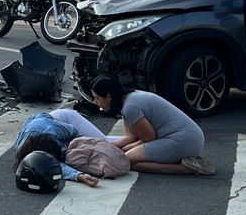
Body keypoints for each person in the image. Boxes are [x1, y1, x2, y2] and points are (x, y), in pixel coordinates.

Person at [87, 75, 216, 175]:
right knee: (135, 164)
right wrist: (108, 147)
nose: (95, 101)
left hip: (183, 141)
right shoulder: (130, 98)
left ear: (109, 96)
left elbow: (148, 139)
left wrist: (122, 151)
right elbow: (132, 136)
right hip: (191, 137)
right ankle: (181, 161)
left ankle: (184, 168)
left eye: (97, 97)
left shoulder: (130, 108)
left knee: (125, 160)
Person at [12, 112, 104, 188]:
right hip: (40, 125)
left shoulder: (54, 129)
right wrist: (79, 176)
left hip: (63, 117)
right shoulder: (22, 151)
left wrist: (80, 146)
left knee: (104, 141)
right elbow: (56, 165)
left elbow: (75, 132)